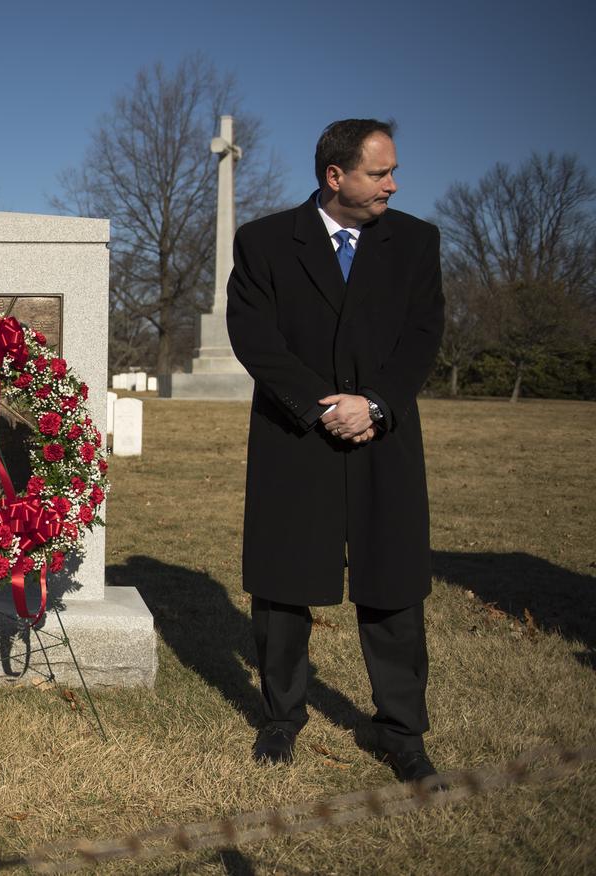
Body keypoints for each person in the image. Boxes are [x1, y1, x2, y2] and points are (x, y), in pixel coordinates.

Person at [226, 119, 445, 783]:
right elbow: (255, 338)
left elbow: (423, 333)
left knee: (393, 584)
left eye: (391, 171)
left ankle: (401, 731)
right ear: (335, 177)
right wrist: (324, 406)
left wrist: (374, 402)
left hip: (385, 434)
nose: (393, 184)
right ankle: (282, 717)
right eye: (379, 173)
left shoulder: (414, 241)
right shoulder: (265, 241)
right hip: (297, 436)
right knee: (285, 588)